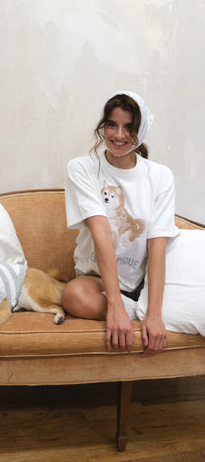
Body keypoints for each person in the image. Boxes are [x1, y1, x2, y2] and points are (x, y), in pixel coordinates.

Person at [62, 91, 179, 354]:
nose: (118, 135)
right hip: (98, 282)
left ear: (142, 129)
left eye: (129, 127)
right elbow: (101, 231)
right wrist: (114, 305)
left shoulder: (160, 176)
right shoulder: (82, 168)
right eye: (112, 125)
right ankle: (130, 312)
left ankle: (142, 313)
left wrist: (155, 314)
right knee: (73, 295)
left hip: (141, 284)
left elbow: (156, 247)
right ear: (103, 126)